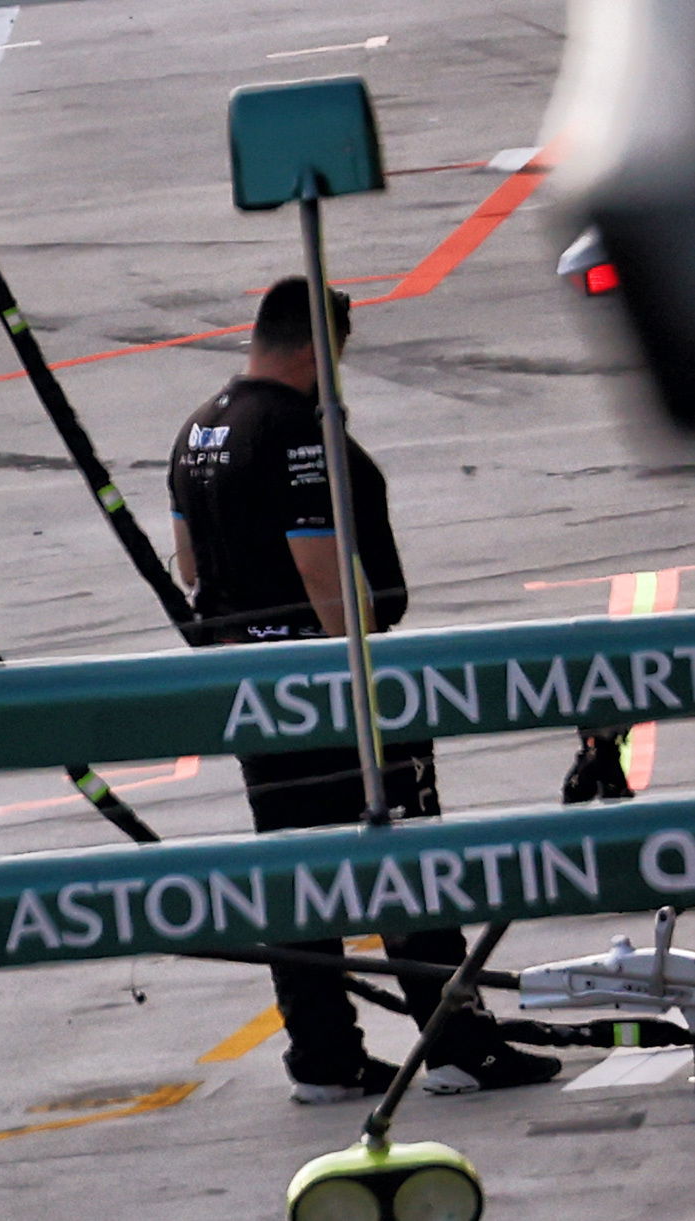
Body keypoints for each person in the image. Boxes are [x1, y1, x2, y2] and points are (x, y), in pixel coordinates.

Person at [168, 278, 561, 1102]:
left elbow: (189, 571)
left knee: (295, 875)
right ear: (315, 348)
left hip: (253, 689)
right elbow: (320, 571)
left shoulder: (196, 428)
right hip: (330, 685)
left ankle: (322, 1056)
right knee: (402, 857)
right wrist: (363, 682)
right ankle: (456, 1044)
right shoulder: (296, 431)